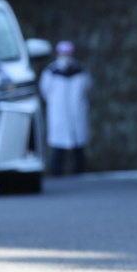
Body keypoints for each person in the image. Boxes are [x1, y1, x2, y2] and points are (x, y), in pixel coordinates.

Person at [39, 40, 91, 175]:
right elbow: (45, 90)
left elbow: (86, 89)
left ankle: (78, 171)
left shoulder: (80, 71)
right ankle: (56, 172)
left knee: (78, 144)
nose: (66, 56)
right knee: (58, 144)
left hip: (76, 112)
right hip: (58, 112)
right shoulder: (51, 71)